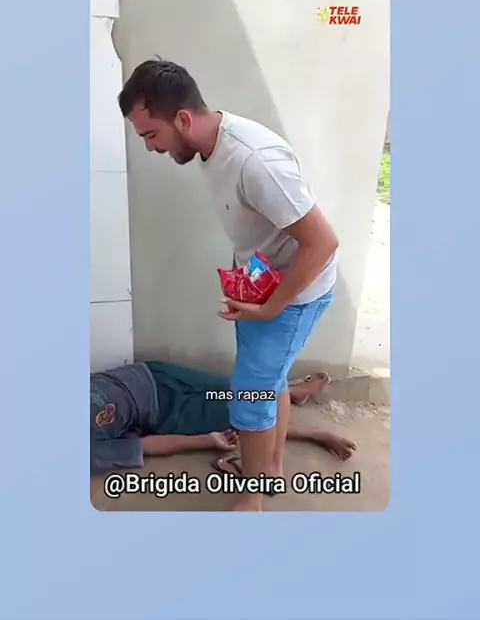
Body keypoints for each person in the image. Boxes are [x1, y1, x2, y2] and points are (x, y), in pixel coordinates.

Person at [119, 59, 340, 511]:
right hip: (262, 285)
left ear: (183, 119)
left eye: (151, 134)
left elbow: (322, 242)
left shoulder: (256, 162)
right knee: (269, 382)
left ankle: (253, 497)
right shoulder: (210, 145)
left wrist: (271, 307)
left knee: (250, 401)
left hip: (292, 295)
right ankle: (269, 469)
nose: (149, 147)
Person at [90, 359, 356, 476]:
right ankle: (315, 432)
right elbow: (143, 446)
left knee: (235, 388)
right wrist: (207, 440)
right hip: (164, 412)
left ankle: (291, 394)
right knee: (245, 415)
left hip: (152, 373)